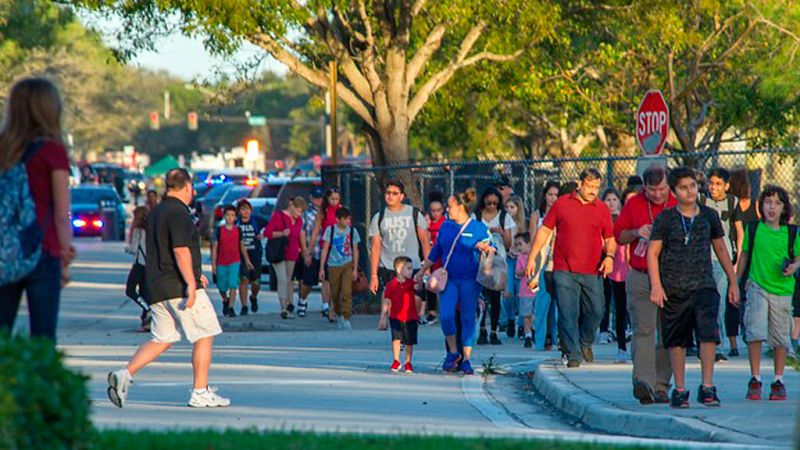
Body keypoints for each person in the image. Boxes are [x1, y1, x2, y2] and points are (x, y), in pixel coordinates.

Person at [106, 168, 229, 408]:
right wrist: (191, 284)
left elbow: (165, 249)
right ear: (186, 187)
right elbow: (180, 250)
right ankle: (200, 391)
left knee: (162, 337)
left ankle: (125, 373)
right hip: (178, 287)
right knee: (205, 334)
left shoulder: (157, 212)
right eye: (191, 188)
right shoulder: (179, 213)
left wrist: (196, 274)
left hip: (156, 286)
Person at [648, 167, 738, 409]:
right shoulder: (665, 219)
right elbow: (653, 252)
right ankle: (679, 388)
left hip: (704, 285)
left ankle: (707, 386)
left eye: (692, 186)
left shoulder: (709, 215)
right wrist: (656, 285)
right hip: (674, 288)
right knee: (677, 341)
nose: (689, 191)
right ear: (674, 192)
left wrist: (733, 281)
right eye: (683, 188)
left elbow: (721, 249)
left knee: (708, 335)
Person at [0, 78, 75, 342]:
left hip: (5, 249)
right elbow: (61, 213)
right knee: (43, 338)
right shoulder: (53, 151)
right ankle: (39, 383)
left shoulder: (3, 149)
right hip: (43, 250)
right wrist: (65, 253)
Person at [526, 169, 616, 368]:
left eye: (596, 187)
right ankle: (573, 354)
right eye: (589, 186)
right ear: (580, 183)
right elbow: (544, 232)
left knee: (596, 311)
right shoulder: (562, 203)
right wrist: (532, 258)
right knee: (568, 313)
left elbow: (610, 239)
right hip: (564, 270)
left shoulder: (601, 208)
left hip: (592, 271)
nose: (593, 191)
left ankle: (585, 342)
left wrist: (609, 257)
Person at [416, 189, 494, 375]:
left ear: (460, 207)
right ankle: (453, 352)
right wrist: (422, 270)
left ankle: (466, 358)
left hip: (470, 281)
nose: (447, 210)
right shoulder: (446, 227)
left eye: (450, 207)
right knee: (447, 316)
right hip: (449, 279)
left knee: (468, 318)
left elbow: (493, 249)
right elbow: (436, 252)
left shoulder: (478, 228)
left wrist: (486, 248)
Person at [615, 165, 675, 404]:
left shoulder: (678, 202)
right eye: (652, 190)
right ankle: (644, 382)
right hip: (640, 274)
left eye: (661, 189)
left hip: (670, 275)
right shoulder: (634, 204)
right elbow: (618, 235)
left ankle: (662, 384)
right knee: (643, 329)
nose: (657, 195)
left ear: (668, 185)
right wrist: (636, 232)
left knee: (668, 332)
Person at [737, 186, 800, 401]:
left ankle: (778, 379)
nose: (772, 207)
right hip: (757, 285)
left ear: (784, 208)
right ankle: (755, 377)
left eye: (777, 203)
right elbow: (744, 255)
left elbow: (798, 257)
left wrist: (793, 266)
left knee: (780, 336)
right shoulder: (753, 228)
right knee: (754, 331)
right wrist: (737, 282)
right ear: (760, 206)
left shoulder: (791, 232)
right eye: (768, 202)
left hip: (782, 289)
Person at [702, 168, 744, 361]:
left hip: (723, 258)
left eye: (718, 184)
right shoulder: (702, 201)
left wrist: (736, 262)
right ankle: (701, 342)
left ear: (726, 186)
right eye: (711, 183)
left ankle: (718, 344)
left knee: (719, 303)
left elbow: (739, 231)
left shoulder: (732, 202)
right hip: (703, 258)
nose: (714, 187)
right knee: (703, 302)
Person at [368, 180, 430, 302]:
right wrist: (374, 275)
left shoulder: (414, 214)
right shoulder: (378, 217)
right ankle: (388, 320)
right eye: (388, 193)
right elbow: (376, 247)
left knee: (415, 300)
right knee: (390, 301)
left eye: (394, 193)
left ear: (402, 196)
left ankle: (413, 321)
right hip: (389, 266)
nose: (390, 196)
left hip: (413, 266)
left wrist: (427, 268)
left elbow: (425, 242)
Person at [474, 187, 515, 345]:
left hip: (498, 260)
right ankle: (482, 329)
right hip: (480, 260)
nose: (491, 206)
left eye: (495, 203)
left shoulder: (504, 217)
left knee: (495, 297)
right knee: (481, 296)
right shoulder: (476, 217)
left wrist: (501, 232)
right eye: (488, 203)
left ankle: (493, 331)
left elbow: (508, 243)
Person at [728, 168, 757, 356]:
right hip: (753, 256)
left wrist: (737, 263)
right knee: (749, 295)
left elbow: (739, 237)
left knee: (733, 299)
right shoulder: (751, 205)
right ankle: (748, 329)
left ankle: (733, 343)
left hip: (737, 255)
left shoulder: (734, 206)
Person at [264, 197, 309, 319]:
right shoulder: (278, 216)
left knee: (289, 280)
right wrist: (282, 233)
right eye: (298, 211)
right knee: (282, 279)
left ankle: (290, 304)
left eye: (301, 212)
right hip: (278, 252)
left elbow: (299, 235)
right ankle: (283, 308)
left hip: (292, 252)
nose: (299, 214)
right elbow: (267, 233)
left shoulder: (299, 221)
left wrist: (304, 250)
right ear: (292, 206)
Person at [530, 181, 561, 351]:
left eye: (556, 195)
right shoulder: (538, 215)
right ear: (544, 196)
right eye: (550, 194)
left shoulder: (563, 212)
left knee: (558, 304)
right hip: (541, 262)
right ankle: (540, 340)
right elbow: (534, 238)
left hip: (557, 261)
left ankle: (555, 339)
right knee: (542, 303)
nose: (553, 198)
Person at [319, 207, 360, 329]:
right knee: (335, 293)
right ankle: (338, 313)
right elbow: (325, 249)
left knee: (346, 292)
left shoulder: (352, 231)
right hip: (333, 265)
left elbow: (355, 250)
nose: (348, 221)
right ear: (338, 219)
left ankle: (346, 317)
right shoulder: (330, 230)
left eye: (349, 218)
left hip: (347, 263)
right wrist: (321, 268)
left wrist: (355, 268)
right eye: (345, 219)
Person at [378, 256, 419, 373]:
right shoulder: (391, 285)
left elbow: (418, 287)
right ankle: (396, 360)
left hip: (410, 316)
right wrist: (383, 317)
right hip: (395, 316)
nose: (411, 271)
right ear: (399, 269)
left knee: (409, 341)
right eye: (409, 268)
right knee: (396, 339)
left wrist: (420, 280)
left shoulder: (411, 283)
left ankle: (408, 361)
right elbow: (386, 301)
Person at [212, 206, 253, 317]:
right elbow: (215, 248)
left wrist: (247, 260)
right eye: (228, 215)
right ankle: (225, 300)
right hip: (222, 262)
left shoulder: (238, 230)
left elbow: (242, 246)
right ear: (224, 216)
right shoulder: (219, 230)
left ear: (235, 217)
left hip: (235, 261)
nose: (230, 218)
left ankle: (230, 307)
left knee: (233, 284)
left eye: (232, 215)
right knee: (221, 286)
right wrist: (214, 265)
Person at [310, 187, 341, 320]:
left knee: (338, 279)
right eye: (332, 199)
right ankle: (326, 305)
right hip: (327, 247)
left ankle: (335, 307)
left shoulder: (342, 210)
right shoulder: (323, 212)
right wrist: (309, 249)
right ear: (327, 199)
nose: (334, 201)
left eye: (337, 199)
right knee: (327, 280)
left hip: (339, 248)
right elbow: (316, 230)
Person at [599, 188, 623, 346]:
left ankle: (622, 329)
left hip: (621, 264)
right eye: (608, 200)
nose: (611, 203)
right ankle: (603, 330)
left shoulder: (623, 218)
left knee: (621, 301)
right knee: (604, 298)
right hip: (604, 260)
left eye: (614, 199)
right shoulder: (601, 218)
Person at [298, 186, 325, 318]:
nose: (318, 200)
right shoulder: (306, 214)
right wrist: (305, 251)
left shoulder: (326, 212)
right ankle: (302, 300)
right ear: (311, 198)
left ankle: (326, 305)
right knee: (308, 281)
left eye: (320, 198)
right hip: (312, 250)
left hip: (325, 251)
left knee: (326, 281)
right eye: (316, 198)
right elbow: (302, 233)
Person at [125, 206, 152, 331]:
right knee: (144, 292)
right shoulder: (151, 230)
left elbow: (134, 249)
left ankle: (148, 309)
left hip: (139, 263)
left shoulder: (138, 230)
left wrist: (126, 247)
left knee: (130, 290)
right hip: (148, 264)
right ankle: (146, 319)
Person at [504, 195, 527, 338]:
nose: (509, 210)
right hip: (508, 259)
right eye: (507, 207)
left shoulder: (524, 224)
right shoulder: (505, 222)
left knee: (521, 292)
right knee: (508, 292)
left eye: (512, 207)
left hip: (521, 259)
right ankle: (510, 319)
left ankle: (522, 324)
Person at [422, 191, 447, 325]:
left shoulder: (446, 224)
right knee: (430, 285)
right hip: (430, 259)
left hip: (442, 260)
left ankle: (446, 311)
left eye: (438, 210)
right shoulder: (427, 223)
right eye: (433, 210)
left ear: (443, 210)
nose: (435, 213)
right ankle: (431, 313)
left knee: (444, 286)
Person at [237, 199, 263, 315]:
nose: (245, 211)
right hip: (240, 256)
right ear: (239, 211)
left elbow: (271, 225)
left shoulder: (256, 221)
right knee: (244, 280)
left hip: (255, 255)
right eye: (243, 209)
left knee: (256, 283)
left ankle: (253, 297)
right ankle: (244, 306)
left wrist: (263, 234)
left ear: (251, 211)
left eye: (247, 209)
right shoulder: (237, 224)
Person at [513, 232, 538, 348]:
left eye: (520, 244)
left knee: (536, 312)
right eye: (517, 245)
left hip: (536, 289)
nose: (518, 247)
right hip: (525, 290)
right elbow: (517, 272)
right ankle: (527, 333)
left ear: (529, 244)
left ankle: (535, 330)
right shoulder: (520, 258)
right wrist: (524, 269)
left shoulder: (537, 256)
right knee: (526, 314)